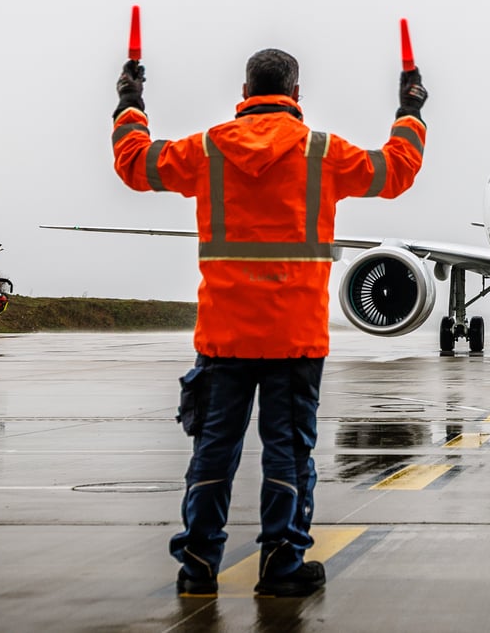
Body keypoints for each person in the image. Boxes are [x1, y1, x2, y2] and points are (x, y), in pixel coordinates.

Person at [111, 48, 427, 597]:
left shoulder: (208, 149)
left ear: (246, 88)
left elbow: (135, 165)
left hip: (223, 333)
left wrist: (129, 103)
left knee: (213, 450)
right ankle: (281, 564)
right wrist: (410, 112)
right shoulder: (323, 153)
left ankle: (198, 566)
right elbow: (395, 171)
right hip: (295, 337)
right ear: (296, 93)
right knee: (288, 451)